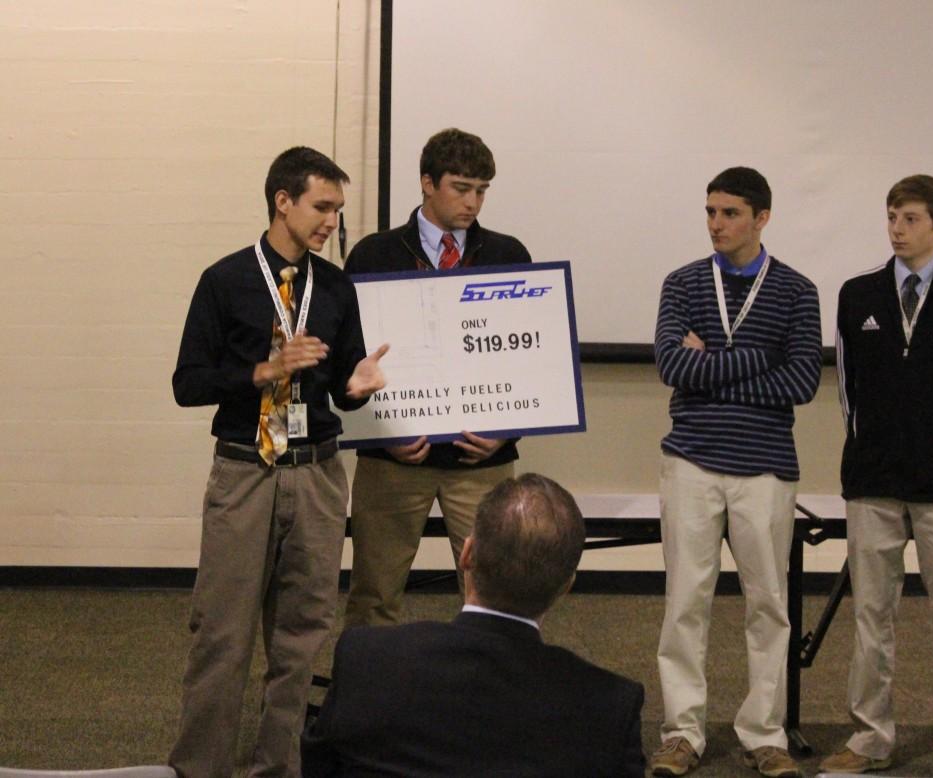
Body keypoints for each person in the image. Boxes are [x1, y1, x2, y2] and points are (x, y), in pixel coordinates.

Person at [169, 146, 387, 778]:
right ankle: (201, 767)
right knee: (223, 634)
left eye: (337, 211)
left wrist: (357, 383)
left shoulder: (337, 285)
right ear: (282, 201)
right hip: (245, 471)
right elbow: (187, 383)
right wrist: (263, 370)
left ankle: (277, 766)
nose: (330, 222)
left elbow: (342, 376)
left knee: (300, 638)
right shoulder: (225, 280)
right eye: (322, 207)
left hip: (318, 474)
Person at [820, 175, 933, 777]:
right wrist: (872, 443)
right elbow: (847, 390)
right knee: (872, 617)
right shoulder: (858, 293)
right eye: (892, 216)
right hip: (872, 480)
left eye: (912, 219)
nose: (898, 229)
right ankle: (870, 736)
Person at [301, 473, 646, 777]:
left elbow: (319, 765)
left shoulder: (367, 660)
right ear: (566, 586)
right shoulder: (610, 707)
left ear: (468, 554)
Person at [651, 168, 822, 777]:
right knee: (684, 601)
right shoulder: (684, 282)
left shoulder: (798, 291)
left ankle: (764, 732)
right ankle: (682, 733)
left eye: (729, 213)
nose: (716, 224)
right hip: (691, 459)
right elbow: (672, 364)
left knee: (768, 604)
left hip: (766, 469)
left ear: (761, 218)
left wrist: (717, 360)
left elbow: (801, 380)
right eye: (710, 211)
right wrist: (759, 360)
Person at [342, 127, 531, 628]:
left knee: (496, 594)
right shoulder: (373, 255)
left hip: (481, 455)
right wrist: (383, 436)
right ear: (427, 183)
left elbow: (528, 359)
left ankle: (483, 702)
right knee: (374, 592)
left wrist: (505, 433)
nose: (473, 201)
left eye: (482, 190)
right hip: (393, 456)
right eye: (461, 188)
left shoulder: (507, 254)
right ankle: (371, 700)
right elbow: (352, 358)